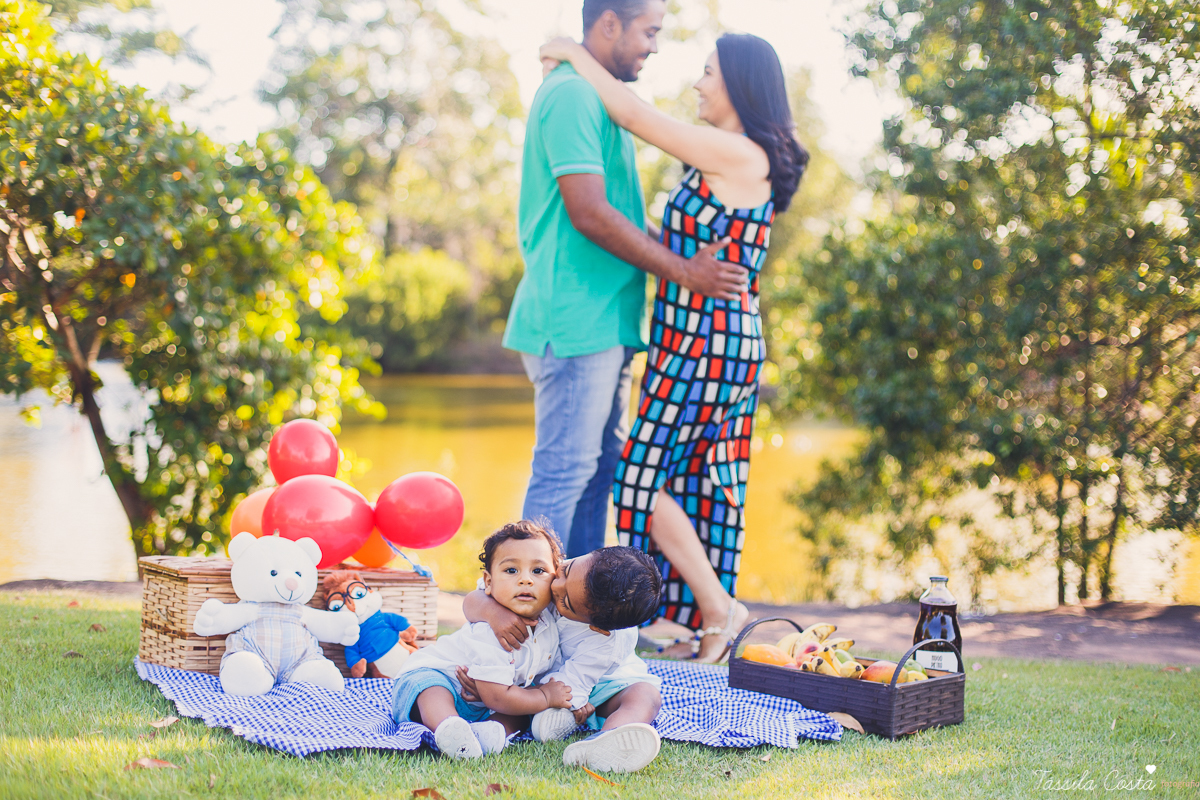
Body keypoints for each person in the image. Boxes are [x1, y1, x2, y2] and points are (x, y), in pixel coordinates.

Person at [538, 32, 809, 662]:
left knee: (636, 475)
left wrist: (573, 54)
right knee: (678, 479)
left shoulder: (742, 153)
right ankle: (707, 618)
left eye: (709, 73)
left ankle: (717, 609)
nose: (697, 83)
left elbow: (634, 116)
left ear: (739, 84)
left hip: (709, 343)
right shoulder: (722, 158)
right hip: (689, 338)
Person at [504, 0, 748, 560]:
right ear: (609, 23)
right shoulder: (571, 95)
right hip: (572, 320)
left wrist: (680, 245)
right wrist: (686, 272)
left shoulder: (598, 97)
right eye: (650, 32)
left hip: (607, 321)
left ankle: (578, 612)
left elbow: (619, 211)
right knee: (565, 471)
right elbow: (588, 212)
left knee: (597, 475)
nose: (655, 46)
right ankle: (518, 620)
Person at [460, 544, 665, 773]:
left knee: (646, 696)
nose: (556, 585)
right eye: (567, 570)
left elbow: (572, 683)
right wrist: (492, 611)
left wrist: (565, 699)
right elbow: (473, 599)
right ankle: (491, 732)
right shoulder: (545, 574)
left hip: (599, 685)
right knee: (516, 708)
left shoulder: (608, 644)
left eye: (566, 602)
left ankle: (609, 737)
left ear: (598, 627)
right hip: (536, 677)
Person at [390, 521, 571, 759]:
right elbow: (496, 696)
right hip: (441, 679)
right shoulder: (491, 630)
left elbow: (504, 696)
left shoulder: (551, 622)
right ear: (488, 582)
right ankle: (448, 727)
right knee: (432, 689)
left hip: (489, 702)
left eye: (538, 571)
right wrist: (545, 697)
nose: (525, 580)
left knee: (521, 712)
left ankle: (490, 734)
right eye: (511, 570)